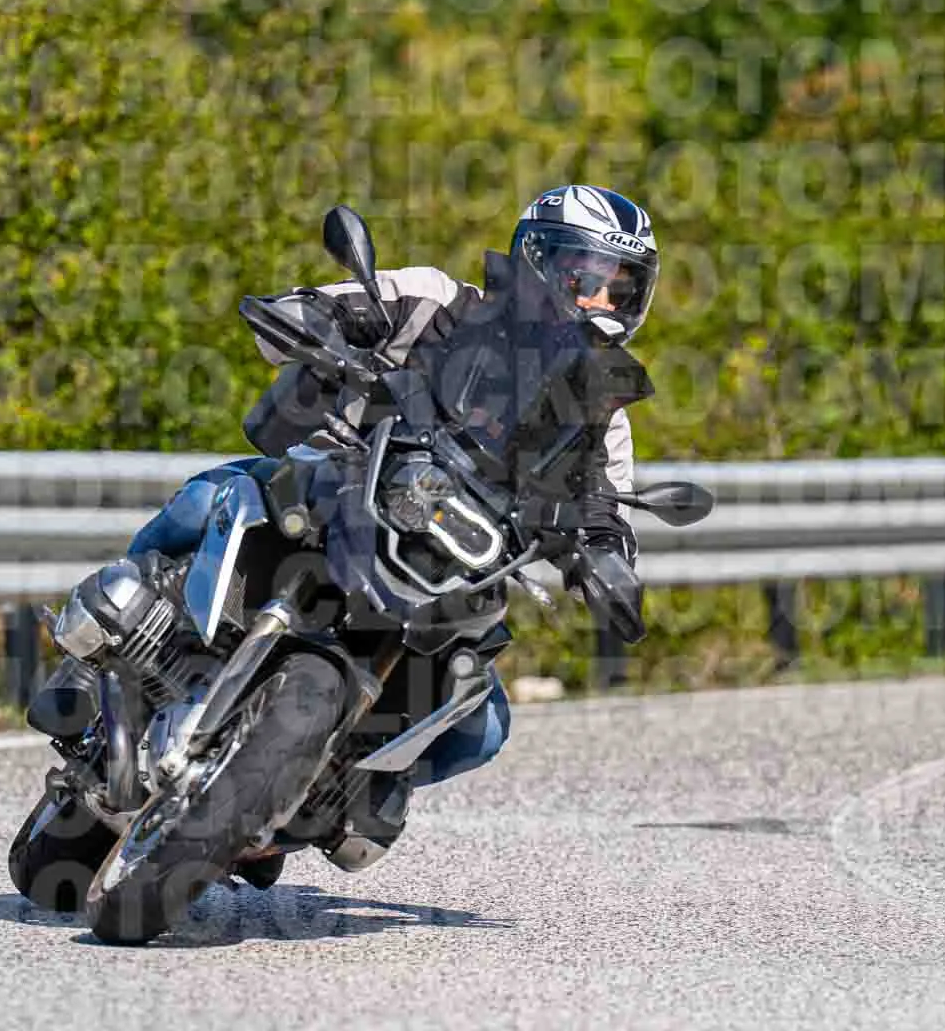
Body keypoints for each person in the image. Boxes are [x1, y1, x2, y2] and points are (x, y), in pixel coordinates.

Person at [118, 185, 659, 873]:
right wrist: (310, 320)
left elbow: (607, 510)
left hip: (457, 564)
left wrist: (606, 560)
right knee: (210, 501)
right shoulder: (438, 301)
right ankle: (116, 634)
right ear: (538, 259)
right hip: (340, 489)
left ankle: (311, 795)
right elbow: (332, 305)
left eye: (621, 288)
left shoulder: (603, 413)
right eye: (587, 278)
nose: (602, 300)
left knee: (483, 726)